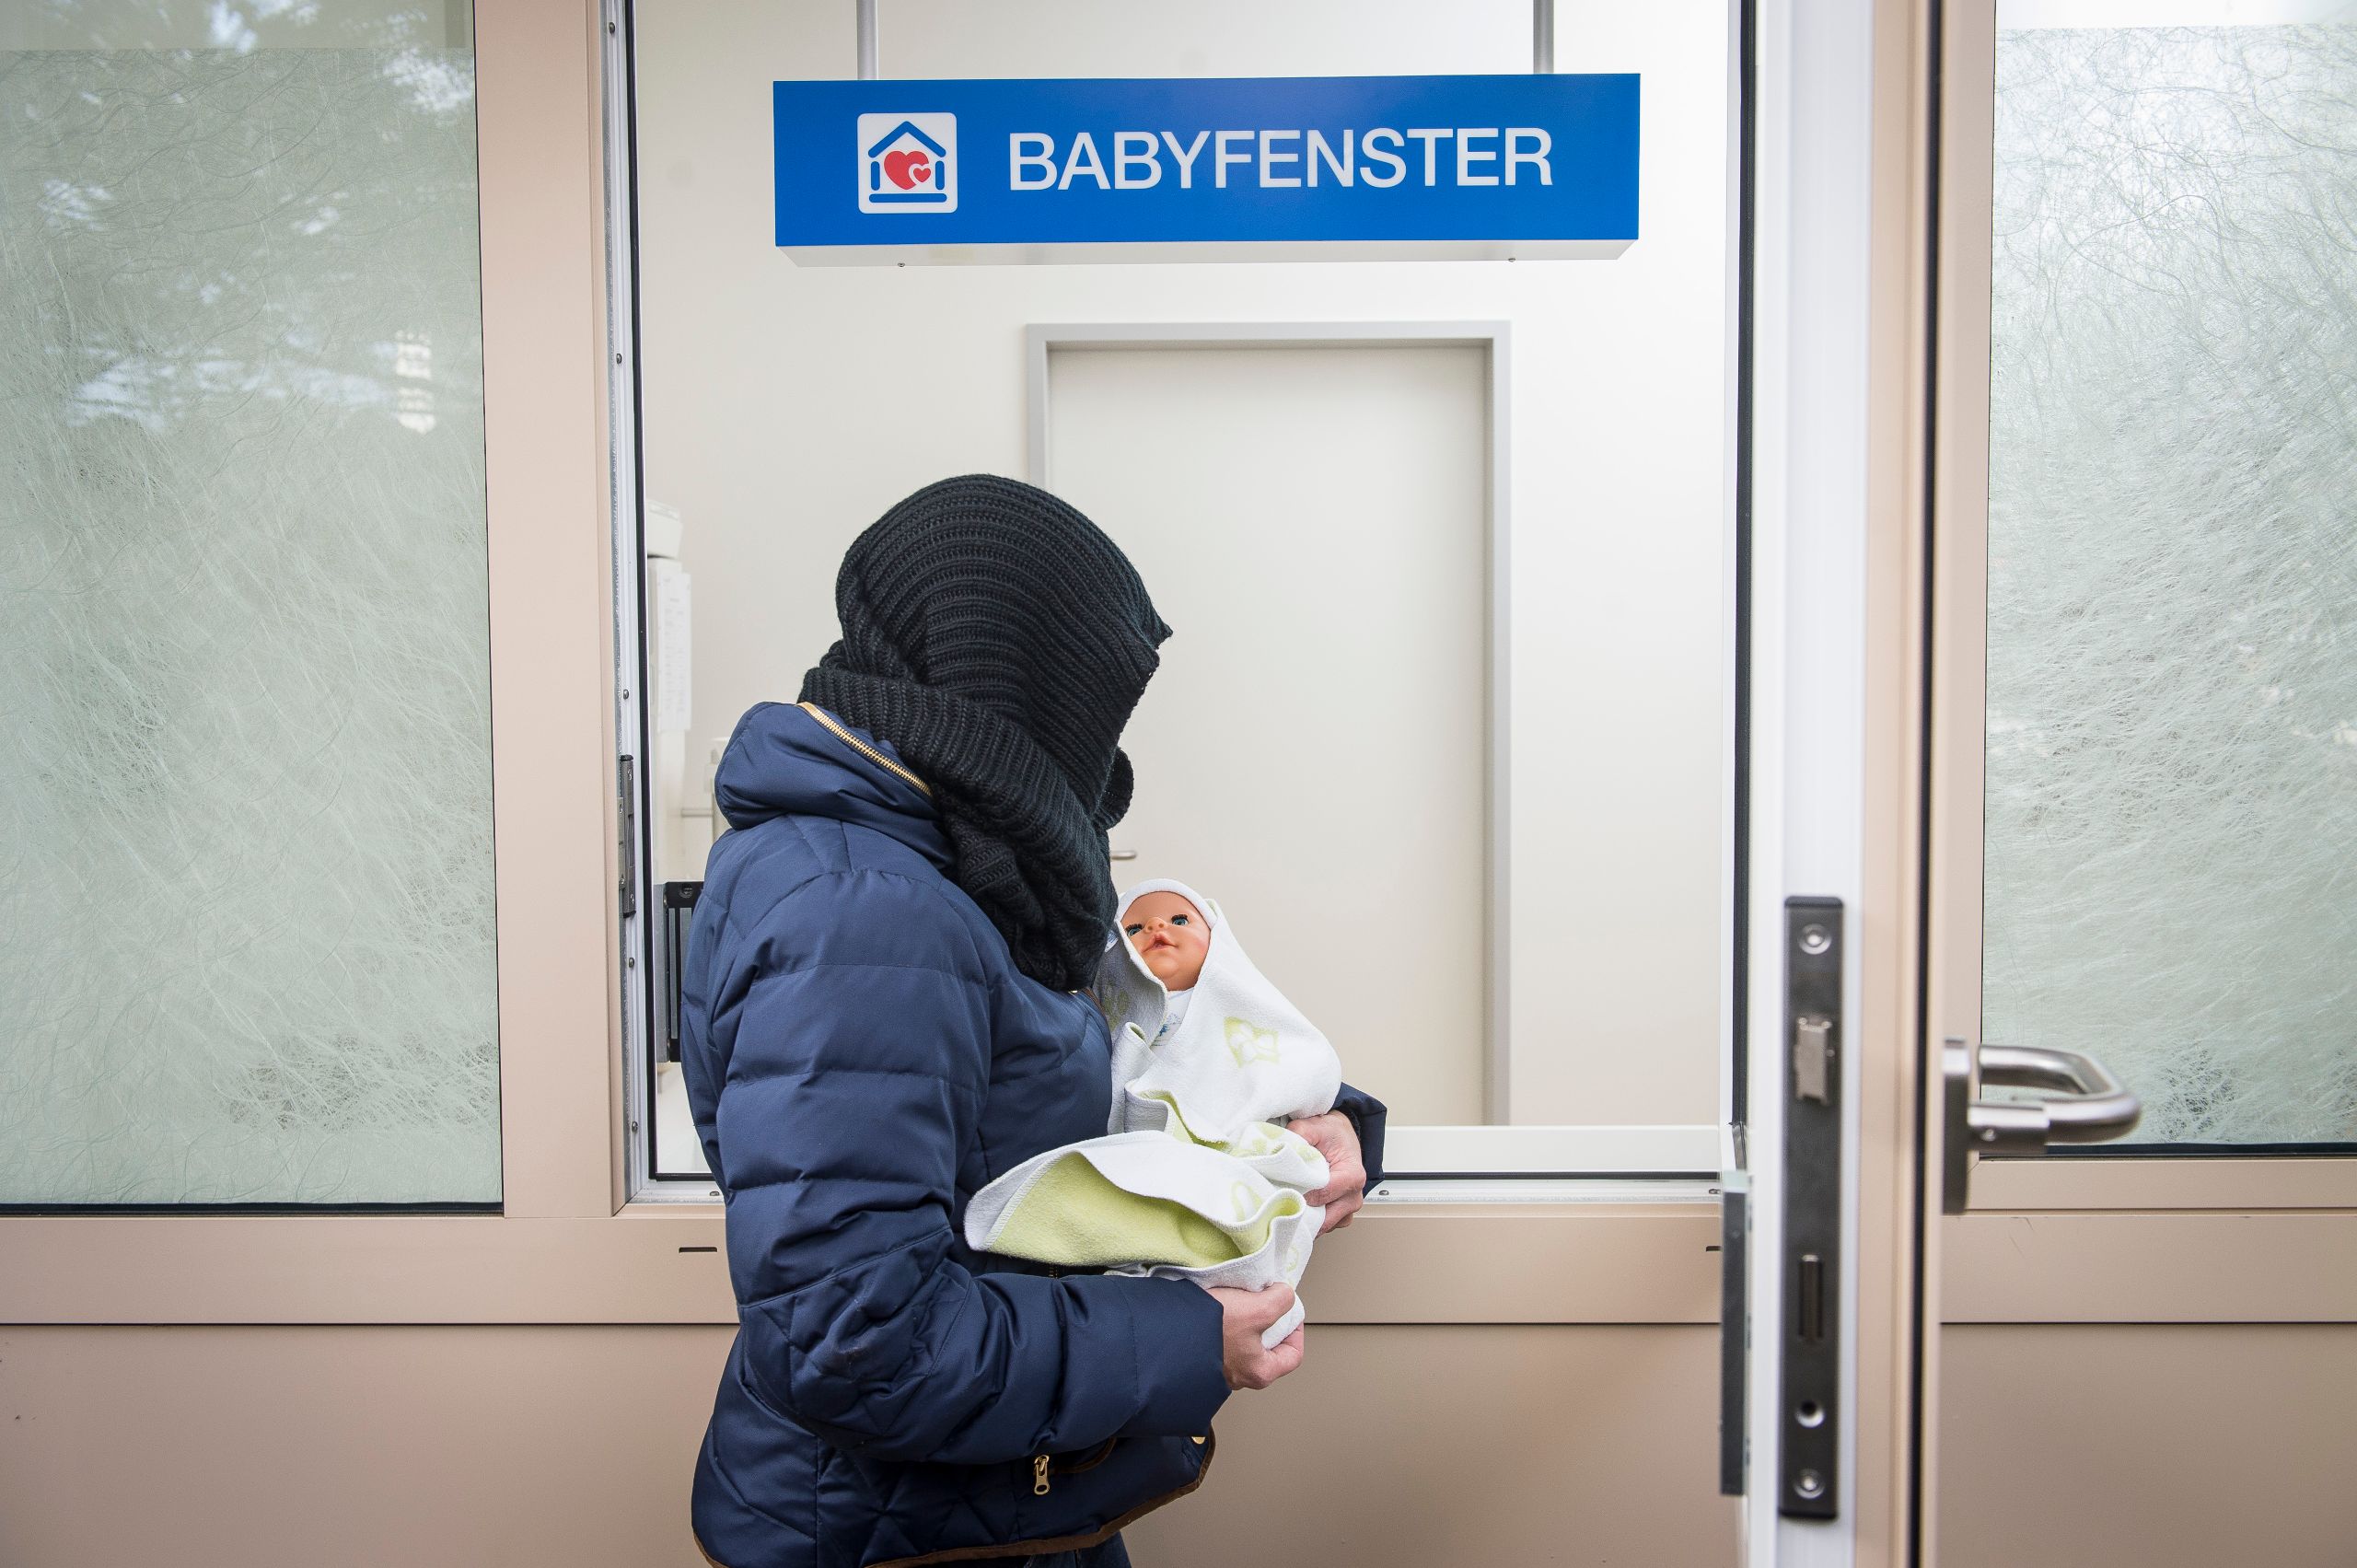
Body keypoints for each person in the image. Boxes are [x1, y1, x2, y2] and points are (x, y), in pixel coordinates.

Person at [679, 475, 1385, 1568]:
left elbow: (1040, 1115)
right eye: (1087, 701)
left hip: (973, 1505)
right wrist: (1189, 1341)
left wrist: (1321, 1123)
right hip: (899, 1529)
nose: (1097, 757)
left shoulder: (926, 870)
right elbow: (858, 1341)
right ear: (1011, 676)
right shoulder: (867, 908)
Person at [963, 878, 1362, 1353]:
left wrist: (1338, 1119)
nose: (1156, 927)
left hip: (1231, 1150)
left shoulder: (1246, 1013)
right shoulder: (1104, 1021)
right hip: (1145, 1163)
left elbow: (1290, 1067)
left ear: (1220, 945)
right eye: (1134, 928)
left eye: (1179, 920)